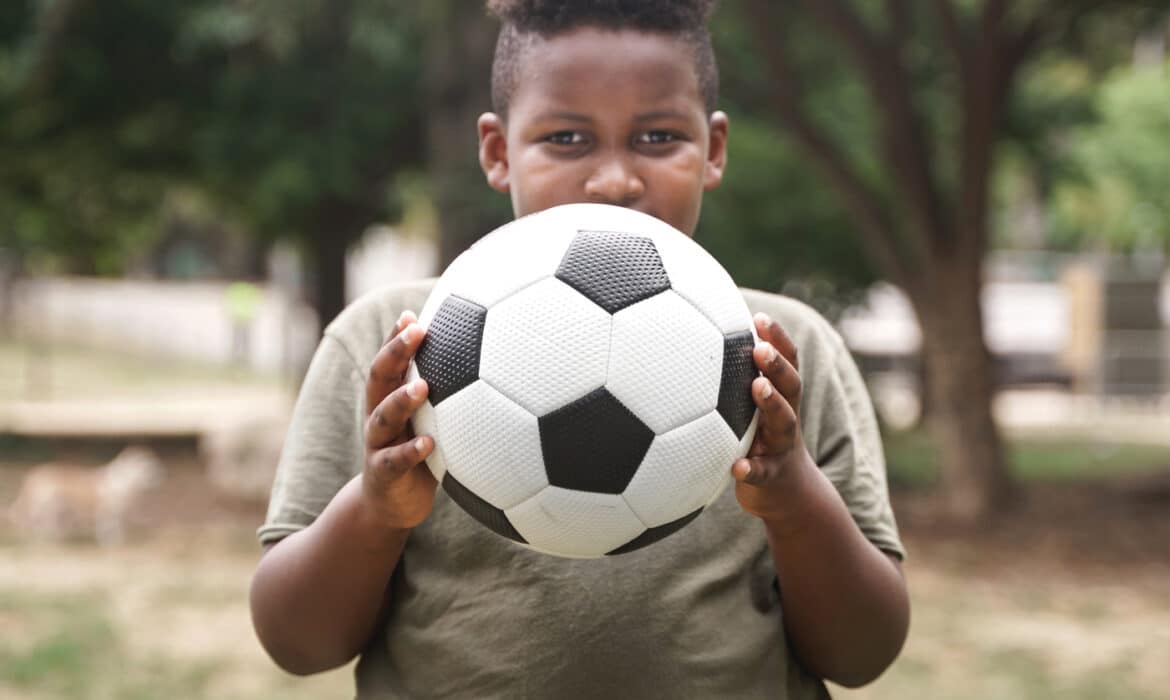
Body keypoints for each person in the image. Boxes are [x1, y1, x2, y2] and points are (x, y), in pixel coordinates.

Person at [250, 1, 910, 698]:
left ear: (713, 150)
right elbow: (298, 643)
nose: (615, 179)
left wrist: (793, 497)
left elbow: (862, 654)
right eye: (567, 138)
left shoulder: (783, 350)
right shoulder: (393, 342)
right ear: (498, 152)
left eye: (658, 137)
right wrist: (377, 510)